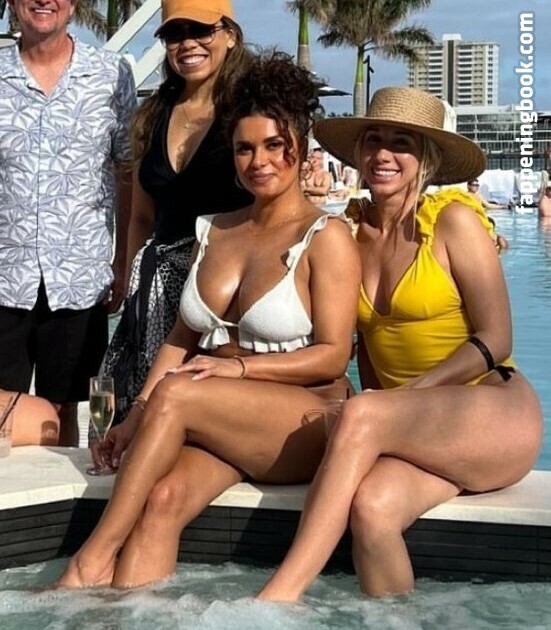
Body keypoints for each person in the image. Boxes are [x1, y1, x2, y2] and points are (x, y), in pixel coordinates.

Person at [55, 51, 361, 589]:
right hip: (225, 416)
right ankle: (126, 616)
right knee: (163, 498)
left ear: (300, 146)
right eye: (245, 148)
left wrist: (236, 370)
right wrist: (134, 416)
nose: (258, 161)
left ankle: (90, 561)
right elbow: (181, 338)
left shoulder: (326, 237)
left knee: (178, 391)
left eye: (274, 145)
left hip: (304, 421)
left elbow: (334, 357)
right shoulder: (214, 229)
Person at [257, 86, 543, 602]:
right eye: (374, 140)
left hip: (492, 411)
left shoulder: (454, 222)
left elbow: (497, 338)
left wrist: (402, 399)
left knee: (364, 414)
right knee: (372, 508)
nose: (383, 155)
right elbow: (363, 349)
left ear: (425, 157)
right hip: (414, 426)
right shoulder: (346, 234)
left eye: (401, 143)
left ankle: (279, 598)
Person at [100, 0, 254, 426]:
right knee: (133, 415)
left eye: (200, 30)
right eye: (174, 34)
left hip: (224, 297)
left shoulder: (249, 111)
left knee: (205, 419)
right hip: (156, 295)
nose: (187, 43)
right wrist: (128, 281)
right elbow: (142, 216)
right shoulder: (153, 114)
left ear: (230, 35)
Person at [0, 0, 136, 446]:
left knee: (66, 407)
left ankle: (61, 487)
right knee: (3, 412)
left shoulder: (111, 74)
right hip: (4, 274)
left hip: (80, 275)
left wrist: (123, 261)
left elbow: (127, 170)